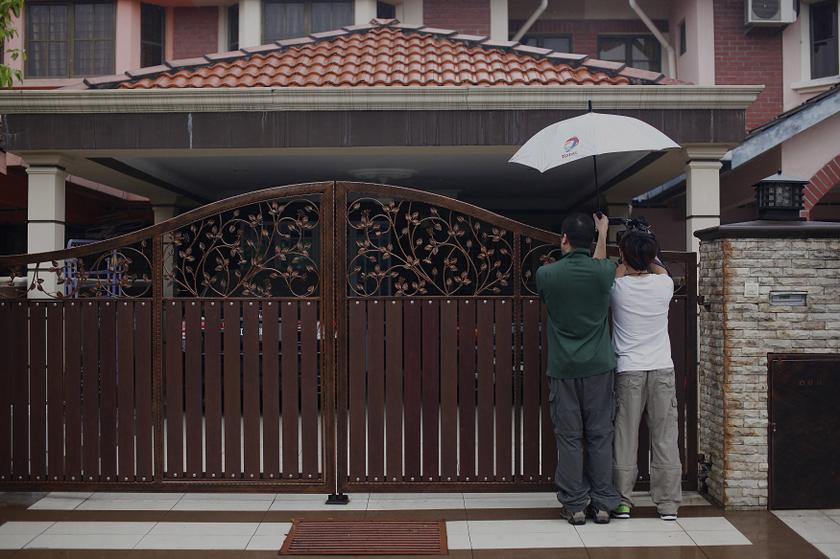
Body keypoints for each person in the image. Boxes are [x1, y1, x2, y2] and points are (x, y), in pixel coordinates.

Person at [536, 212, 621, 526]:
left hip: (563, 367)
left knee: (570, 437)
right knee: (600, 435)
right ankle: (601, 504)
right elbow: (597, 265)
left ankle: (574, 505)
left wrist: (596, 237)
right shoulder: (605, 271)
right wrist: (604, 233)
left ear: (564, 239)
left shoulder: (546, 274)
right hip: (599, 366)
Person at [610, 230, 682, 521]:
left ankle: (622, 501)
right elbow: (658, 266)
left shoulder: (618, 287)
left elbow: (618, 269)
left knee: (625, 436)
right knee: (665, 436)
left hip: (628, 369)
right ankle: (667, 504)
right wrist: (647, 250)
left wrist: (624, 255)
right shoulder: (665, 284)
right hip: (662, 368)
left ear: (624, 256)